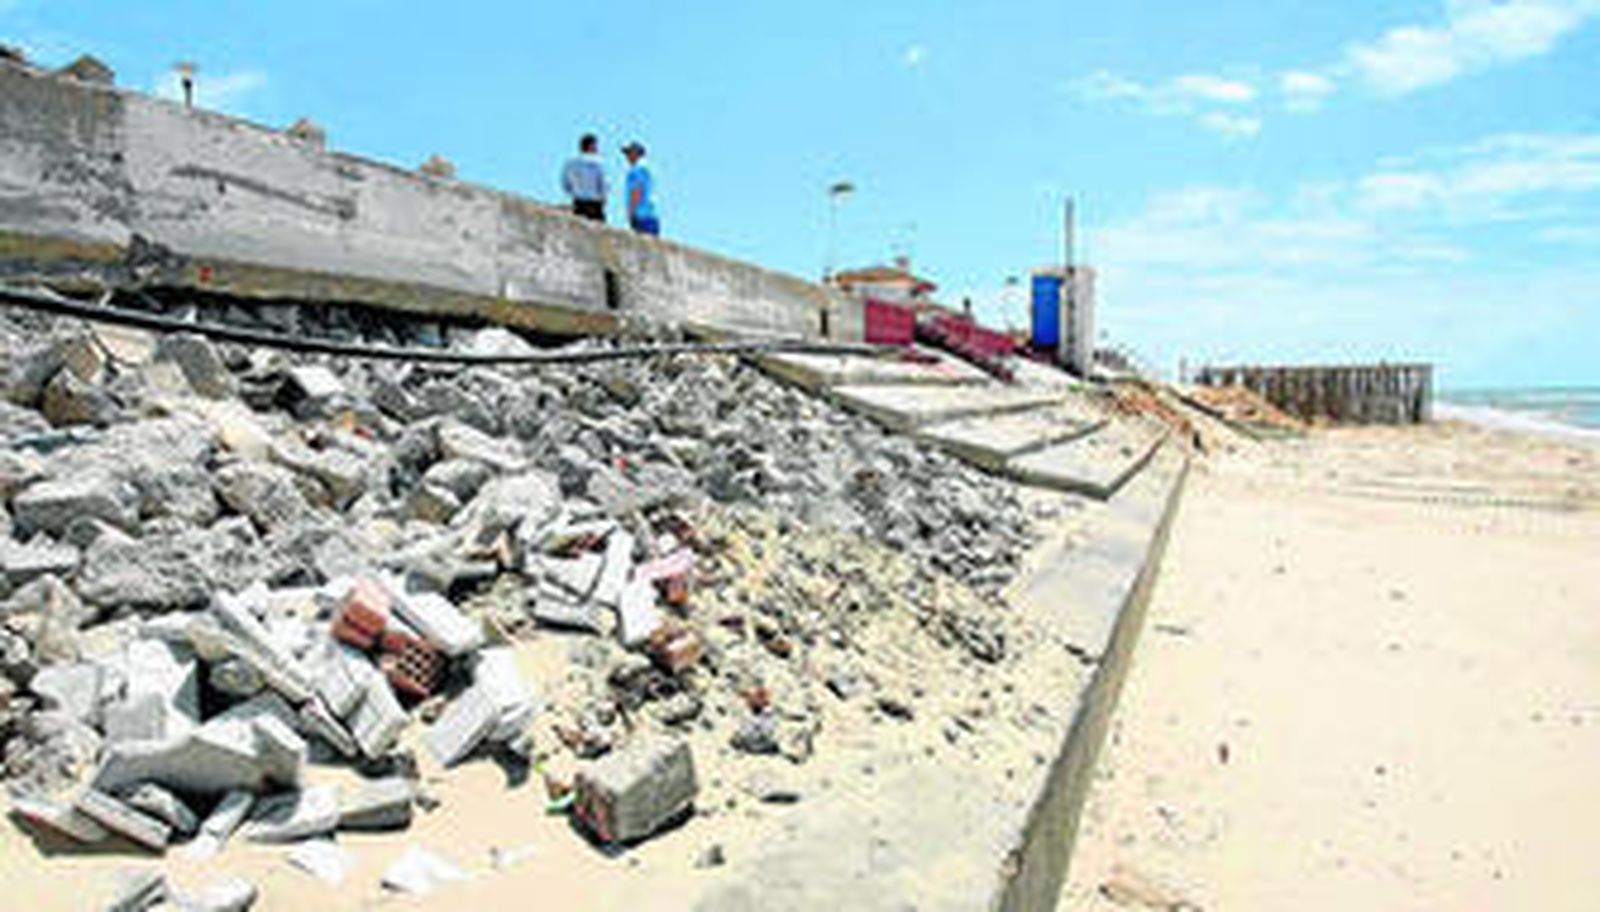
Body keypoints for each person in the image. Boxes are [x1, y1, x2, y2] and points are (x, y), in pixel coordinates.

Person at [561, 133, 608, 222]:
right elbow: (603, 183)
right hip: (595, 202)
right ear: (591, 146)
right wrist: (603, 197)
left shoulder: (571, 163)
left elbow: (566, 183)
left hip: (578, 201)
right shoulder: (598, 162)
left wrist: (574, 191)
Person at [621, 141, 660, 236]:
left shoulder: (636, 169)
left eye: (628, 153)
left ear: (636, 153)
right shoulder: (647, 169)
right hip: (652, 215)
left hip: (641, 216)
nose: (627, 157)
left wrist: (631, 214)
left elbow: (636, 191)